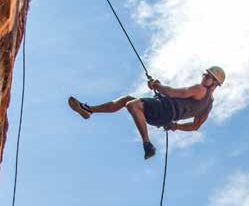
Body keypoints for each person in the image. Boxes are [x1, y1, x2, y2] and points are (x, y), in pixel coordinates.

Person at [68, 66, 225, 159]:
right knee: (126, 100)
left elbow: (173, 93)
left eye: (208, 76)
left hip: (164, 108)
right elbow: (196, 126)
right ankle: (89, 110)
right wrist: (175, 126)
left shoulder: (200, 89)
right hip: (163, 117)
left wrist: (157, 86)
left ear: (215, 84)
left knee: (132, 105)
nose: (204, 77)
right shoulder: (208, 106)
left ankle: (147, 144)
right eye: (205, 74)